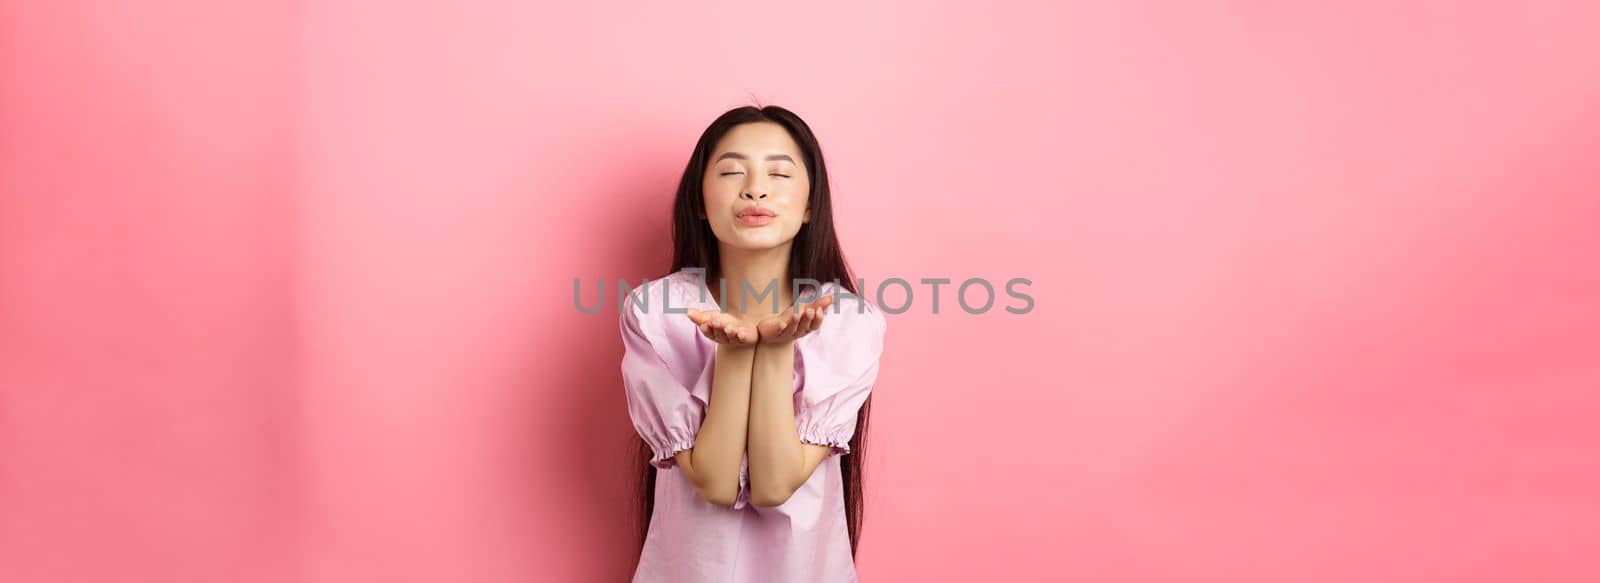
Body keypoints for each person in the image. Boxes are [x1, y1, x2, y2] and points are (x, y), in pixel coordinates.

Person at [619, 104, 886, 582]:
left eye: (780, 172)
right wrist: (737, 352)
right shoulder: (656, 311)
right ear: (699, 201)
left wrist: (777, 349)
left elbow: (773, 484)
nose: (755, 188)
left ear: (810, 207)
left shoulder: (848, 321)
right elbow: (716, 483)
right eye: (731, 171)